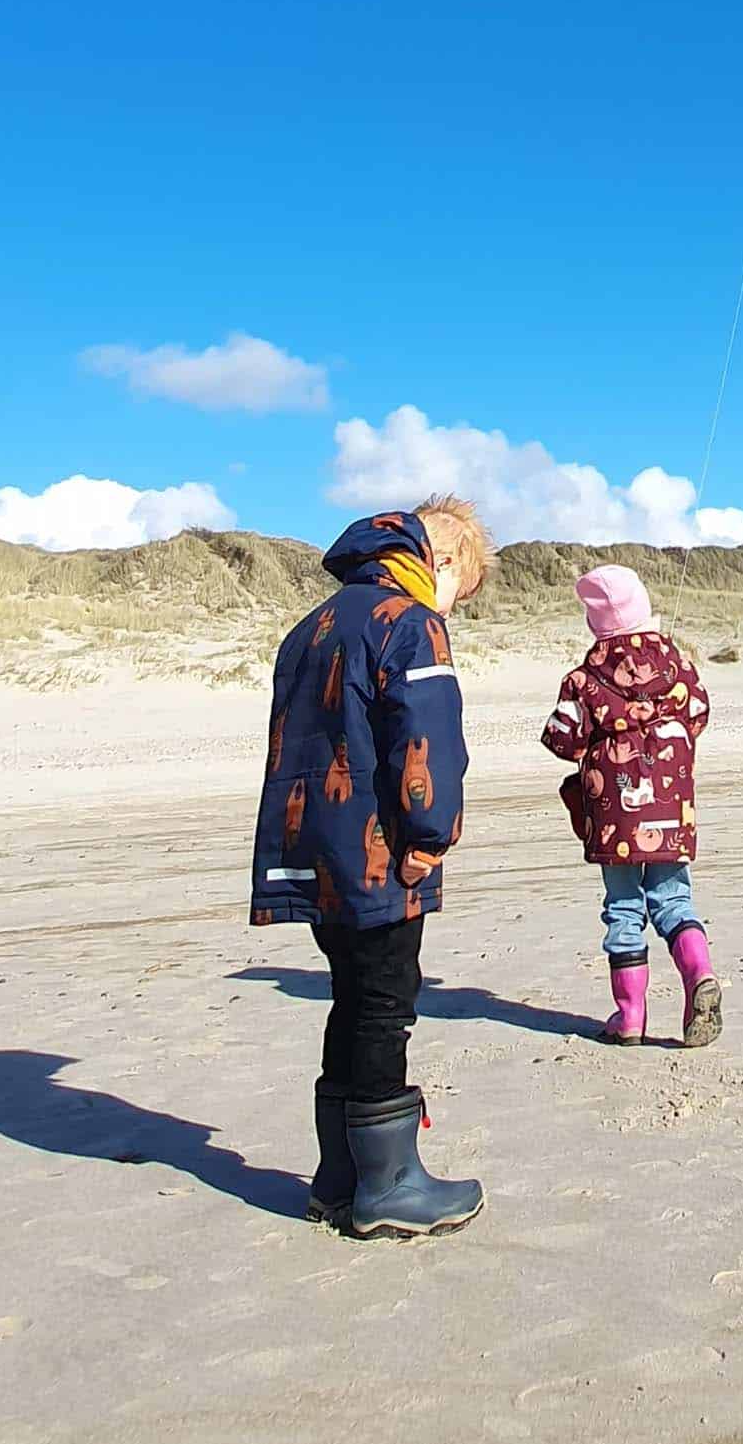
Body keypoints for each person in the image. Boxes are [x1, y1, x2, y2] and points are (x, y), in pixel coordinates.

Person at [249, 498, 492, 1238]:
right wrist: (429, 834)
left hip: (312, 849)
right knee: (386, 1000)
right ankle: (387, 1182)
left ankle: (340, 1175)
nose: (453, 606)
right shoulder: (411, 621)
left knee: (352, 999)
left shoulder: (310, 626)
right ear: (438, 561)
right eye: (460, 589)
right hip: (378, 849)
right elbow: (428, 737)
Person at [540, 563, 721, 1049]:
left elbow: (561, 738)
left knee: (623, 906)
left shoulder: (584, 679)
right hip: (670, 808)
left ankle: (630, 1017)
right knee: (674, 899)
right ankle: (698, 972)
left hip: (613, 817)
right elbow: (699, 714)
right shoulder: (678, 667)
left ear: (596, 624)